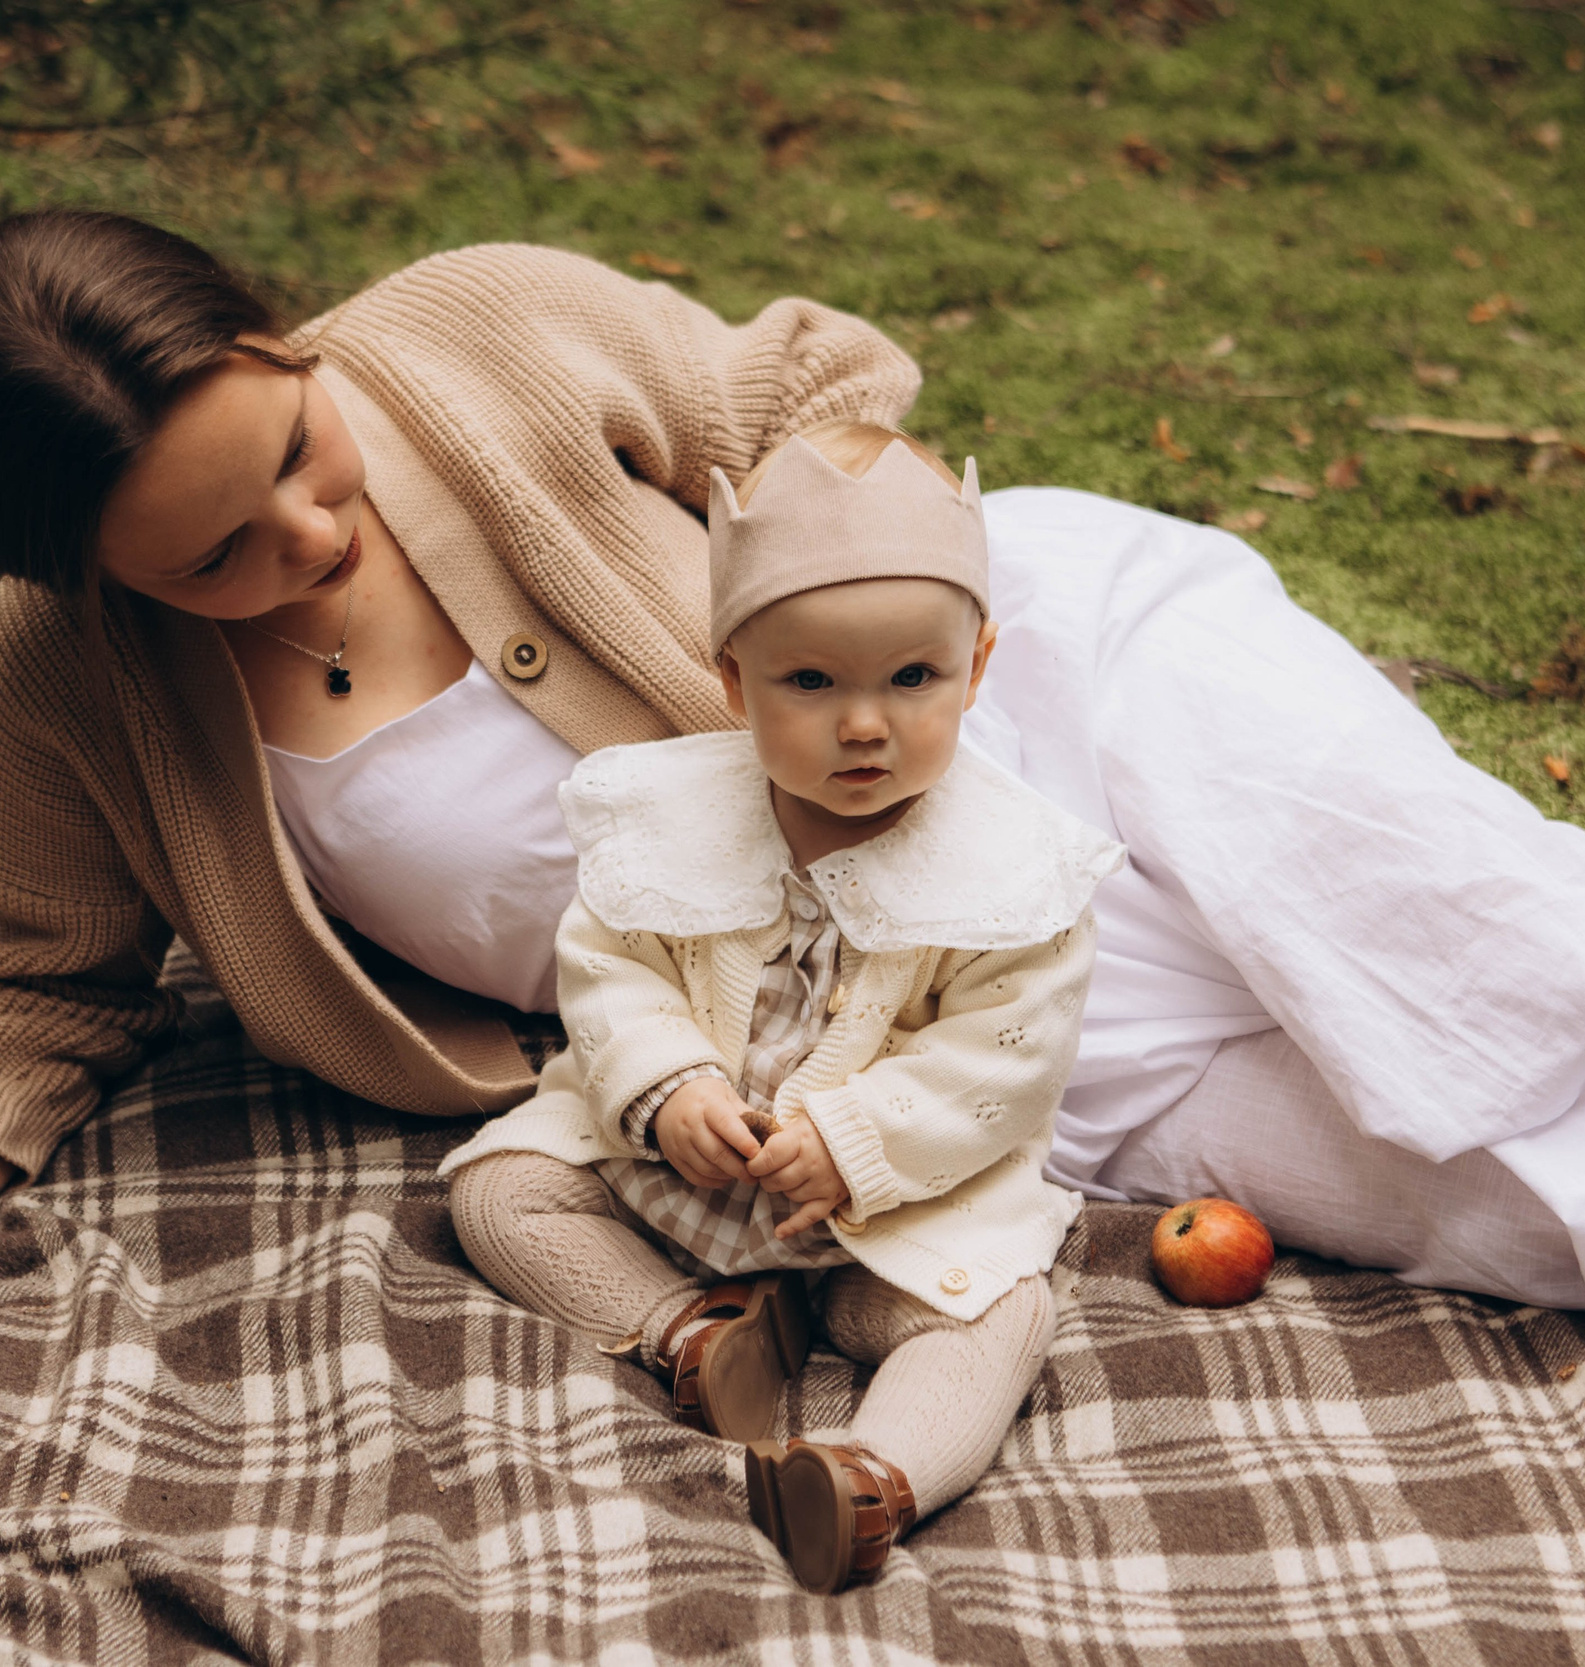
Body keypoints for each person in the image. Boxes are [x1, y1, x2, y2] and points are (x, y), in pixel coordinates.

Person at [0, 209, 1585, 1372]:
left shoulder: (474, 331)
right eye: (213, 555)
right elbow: (23, 971)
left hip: (1040, 684)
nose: (302, 534)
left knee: (1493, 964)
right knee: (1495, 1208)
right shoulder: (54, 687)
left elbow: (808, 387)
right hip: (877, 1001)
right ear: (77, 569)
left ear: (281, 341)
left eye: (298, 446)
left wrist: (829, 626)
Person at [436, 423, 1123, 1591]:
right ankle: (697, 1334)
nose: (865, 724)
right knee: (498, 1194)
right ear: (732, 681)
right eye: (810, 682)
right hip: (681, 1187)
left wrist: (858, 1144)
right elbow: (609, 969)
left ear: (979, 664)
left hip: (891, 1218)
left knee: (1001, 1320)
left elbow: (1008, 1056)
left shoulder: (1016, 871)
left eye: (915, 678)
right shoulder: (672, 816)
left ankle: (866, 1478)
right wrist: (665, 1088)